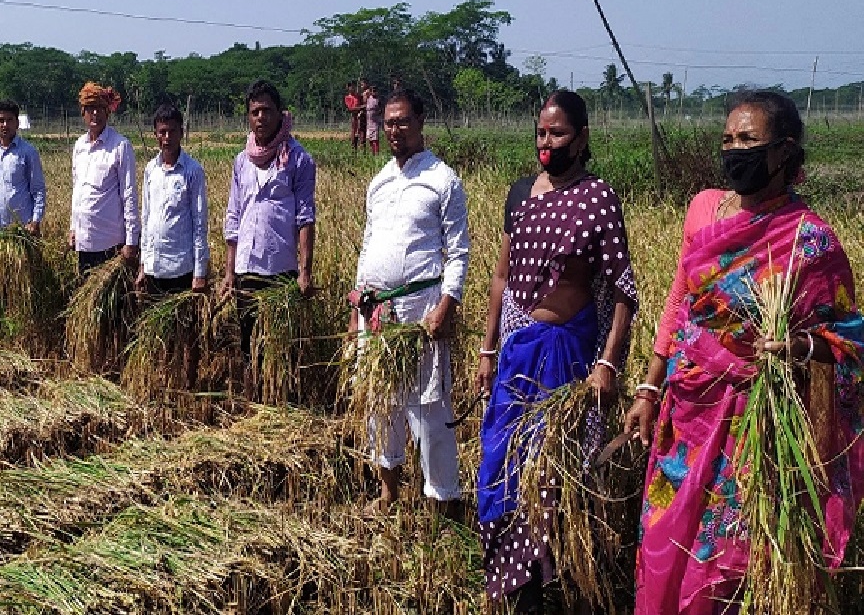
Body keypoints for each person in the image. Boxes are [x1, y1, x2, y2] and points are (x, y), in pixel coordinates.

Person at [624, 91, 864, 614]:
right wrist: (649, 384)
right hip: (686, 414)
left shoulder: (811, 240)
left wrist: (801, 346)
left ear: (784, 152)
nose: (735, 150)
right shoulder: (706, 208)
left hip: (753, 432)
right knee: (668, 541)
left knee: (725, 566)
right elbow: (679, 301)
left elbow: (848, 342)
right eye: (729, 139)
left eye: (749, 140)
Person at [472, 90, 638, 610]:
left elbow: (622, 290)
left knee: (555, 474)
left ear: (583, 137)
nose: (548, 143)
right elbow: (501, 277)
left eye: (559, 133)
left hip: (568, 360)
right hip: (517, 358)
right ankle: (517, 582)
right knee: (503, 465)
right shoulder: (522, 195)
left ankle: (558, 580)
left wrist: (608, 363)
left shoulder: (598, 198)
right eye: (542, 132)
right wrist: (487, 348)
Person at [351, 89, 469, 516]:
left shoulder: (442, 179)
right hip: (377, 312)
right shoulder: (379, 182)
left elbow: (458, 252)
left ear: (420, 121)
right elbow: (368, 246)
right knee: (381, 403)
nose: (395, 129)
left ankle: (442, 501)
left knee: (430, 407)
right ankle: (387, 491)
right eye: (388, 122)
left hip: (422, 314)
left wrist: (446, 305)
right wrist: (356, 309)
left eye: (402, 121)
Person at [221, 80, 316, 401]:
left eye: (266, 111)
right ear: (248, 117)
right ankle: (252, 402)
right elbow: (233, 217)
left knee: (278, 346)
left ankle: (279, 405)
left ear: (279, 114)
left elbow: (305, 217)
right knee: (248, 344)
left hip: (281, 269)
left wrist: (305, 270)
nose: (260, 117)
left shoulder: (298, 159)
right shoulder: (241, 161)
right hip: (247, 268)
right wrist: (229, 271)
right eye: (254, 112)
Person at [135, 104, 209, 388]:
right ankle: (164, 381)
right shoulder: (150, 170)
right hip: (155, 267)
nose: (167, 137)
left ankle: (188, 384)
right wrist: (143, 264)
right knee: (159, 330)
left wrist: (200, 272)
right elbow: (146, 217)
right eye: (162, 132)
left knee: (186, 331)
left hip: (182, 266)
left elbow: (200, 222)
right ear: (155, 135)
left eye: (172, 132)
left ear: (182, 133)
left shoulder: (192, 171)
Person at [70, 81, 139, 276]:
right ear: (83, 112)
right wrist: (73, 228)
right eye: (90, 109)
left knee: (113, 304)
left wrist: (131, 240)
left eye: (100, 108)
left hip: (111, 244)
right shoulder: (79, 147)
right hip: (85, 242)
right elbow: (78, 191)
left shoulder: (120, 146)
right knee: (88, 302)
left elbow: (129, 194)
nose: (95, 114)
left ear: (107, 112)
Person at [0, 99, 46, 248]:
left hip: (20, 232)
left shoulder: (28, 153)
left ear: (17, 123)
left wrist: (35, 221)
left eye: (10, 120)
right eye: (1, 120)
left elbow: (38, 191)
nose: (5, 125)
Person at [344, 82, 364, 152]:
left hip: (360, 117)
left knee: (361, 134)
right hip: (354, 117)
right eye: (351, 87)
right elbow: (350, 109)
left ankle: (362, 151)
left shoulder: (358, 96)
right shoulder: (347, 98)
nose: (352, 88)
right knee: (353, 134)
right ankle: (353, 151)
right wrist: (360, 107)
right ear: (348, 88)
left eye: (354, 87)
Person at [364, 85, 381, 155]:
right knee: (370, 139)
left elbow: (381, 109)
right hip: (369, 123)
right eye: (373, 90)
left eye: (375, 90)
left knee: (375, 139)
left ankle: (376, 153)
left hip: (375, 122)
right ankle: (372, 153)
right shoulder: (368, 99)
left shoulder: (377, 100)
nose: (374, 92)